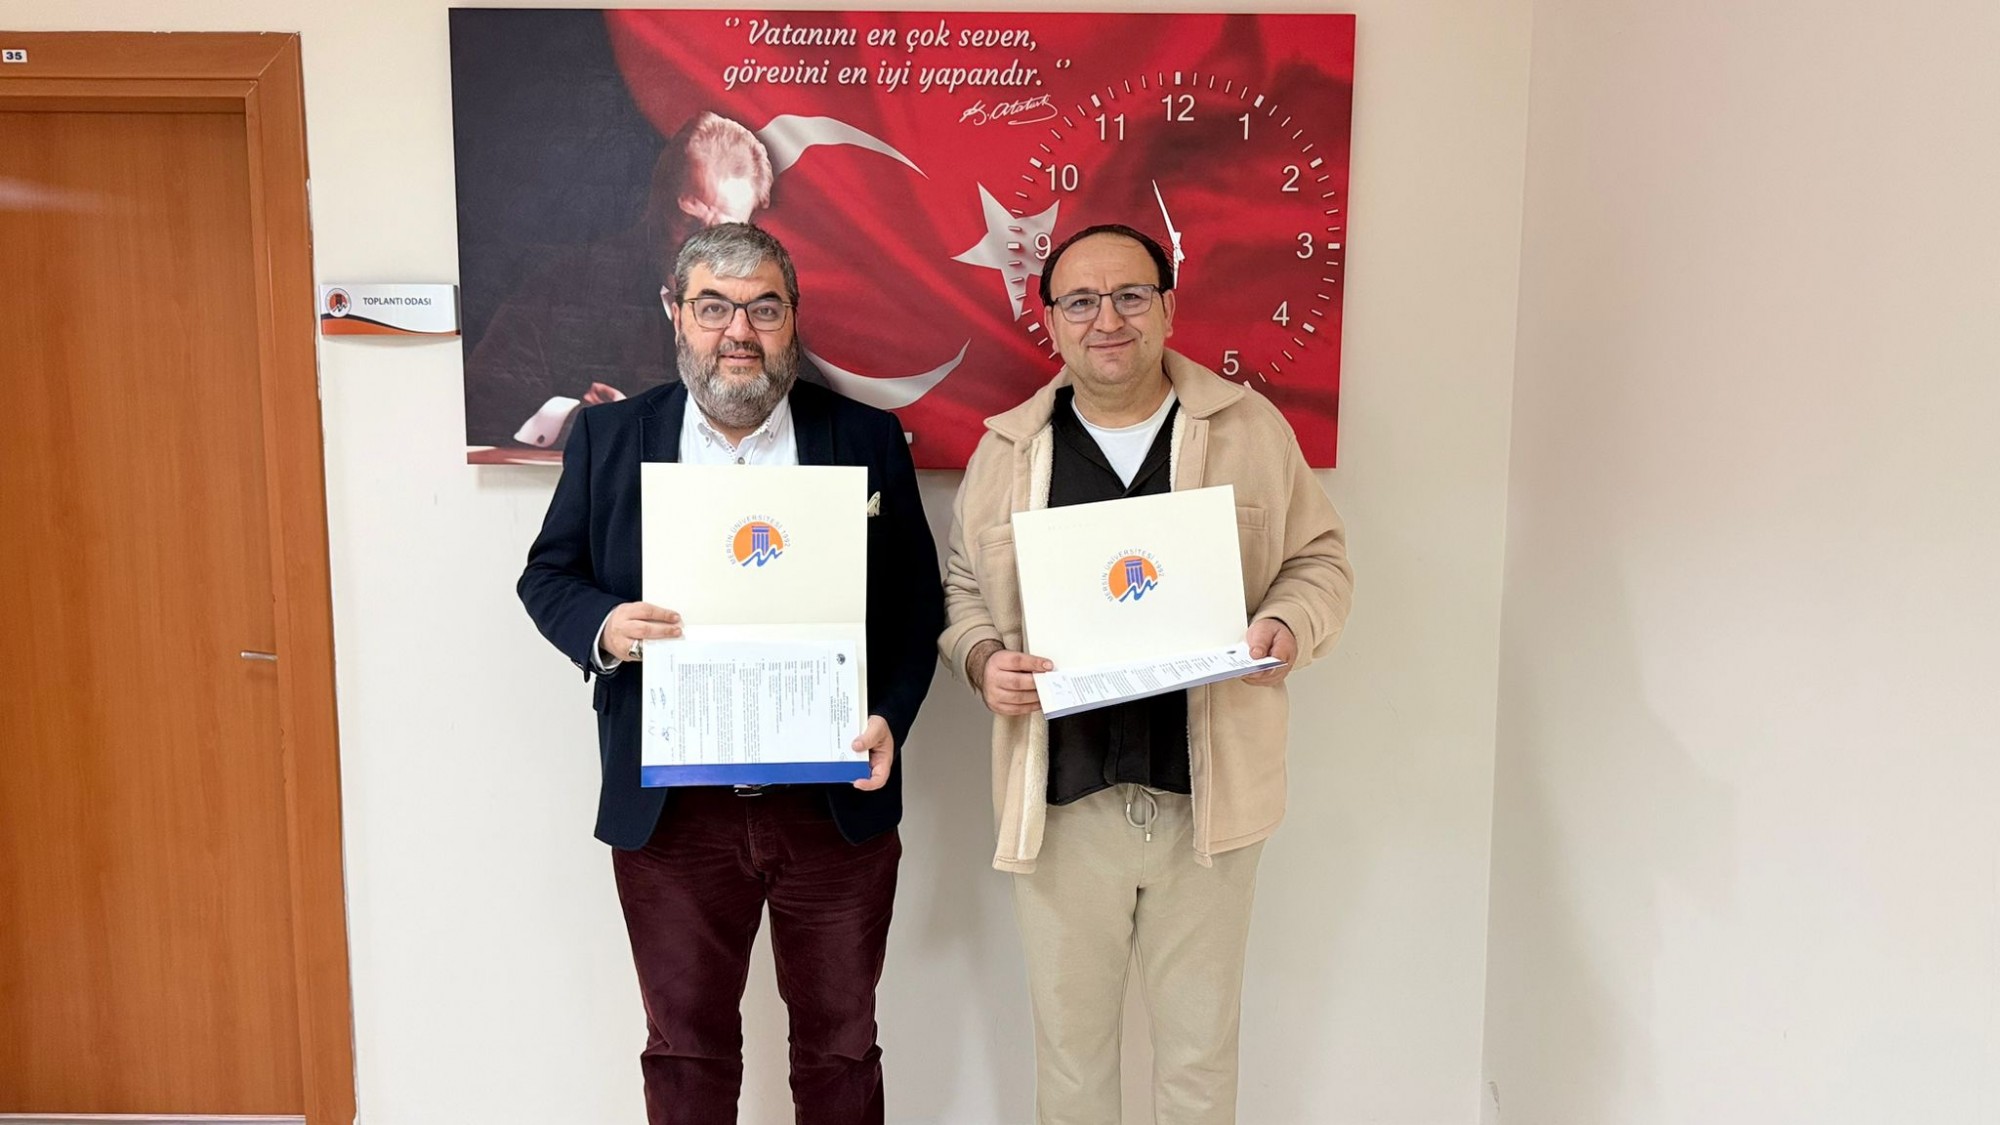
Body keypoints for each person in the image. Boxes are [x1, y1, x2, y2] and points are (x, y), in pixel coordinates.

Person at [519, 222, 943, 1125]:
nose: (738, 332)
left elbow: (917, 609)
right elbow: (547, 575)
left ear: (793, 318)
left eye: (763, 309)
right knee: (685, 1048)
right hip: (673, 811)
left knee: (840, 1046)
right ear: (675, 313)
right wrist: (604, 625)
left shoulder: (865, 436)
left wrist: (891, 716)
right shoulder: (611, 436)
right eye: (714, 307)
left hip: (831, 802)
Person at [937, 224, 1354, 1124]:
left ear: (1168, 306)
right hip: (1062, 805)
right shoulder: (1010, 449)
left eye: (1130, 296)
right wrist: (981, 658)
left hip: (1209, 803)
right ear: (1052, 320)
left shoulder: (1248, 430)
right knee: (1072, 1065)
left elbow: (1319, 560)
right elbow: (963, 586)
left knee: (1199, 1063)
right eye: (1081, 301)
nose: (1108, 320)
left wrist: (1288, 623)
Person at [467, 112, 780, 450]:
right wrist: (576, 419)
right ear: (656, 198)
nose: (701, 248)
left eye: (724, 233)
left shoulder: (762, 313)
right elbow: (479, 406)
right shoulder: (563, 290)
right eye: (688, 220)